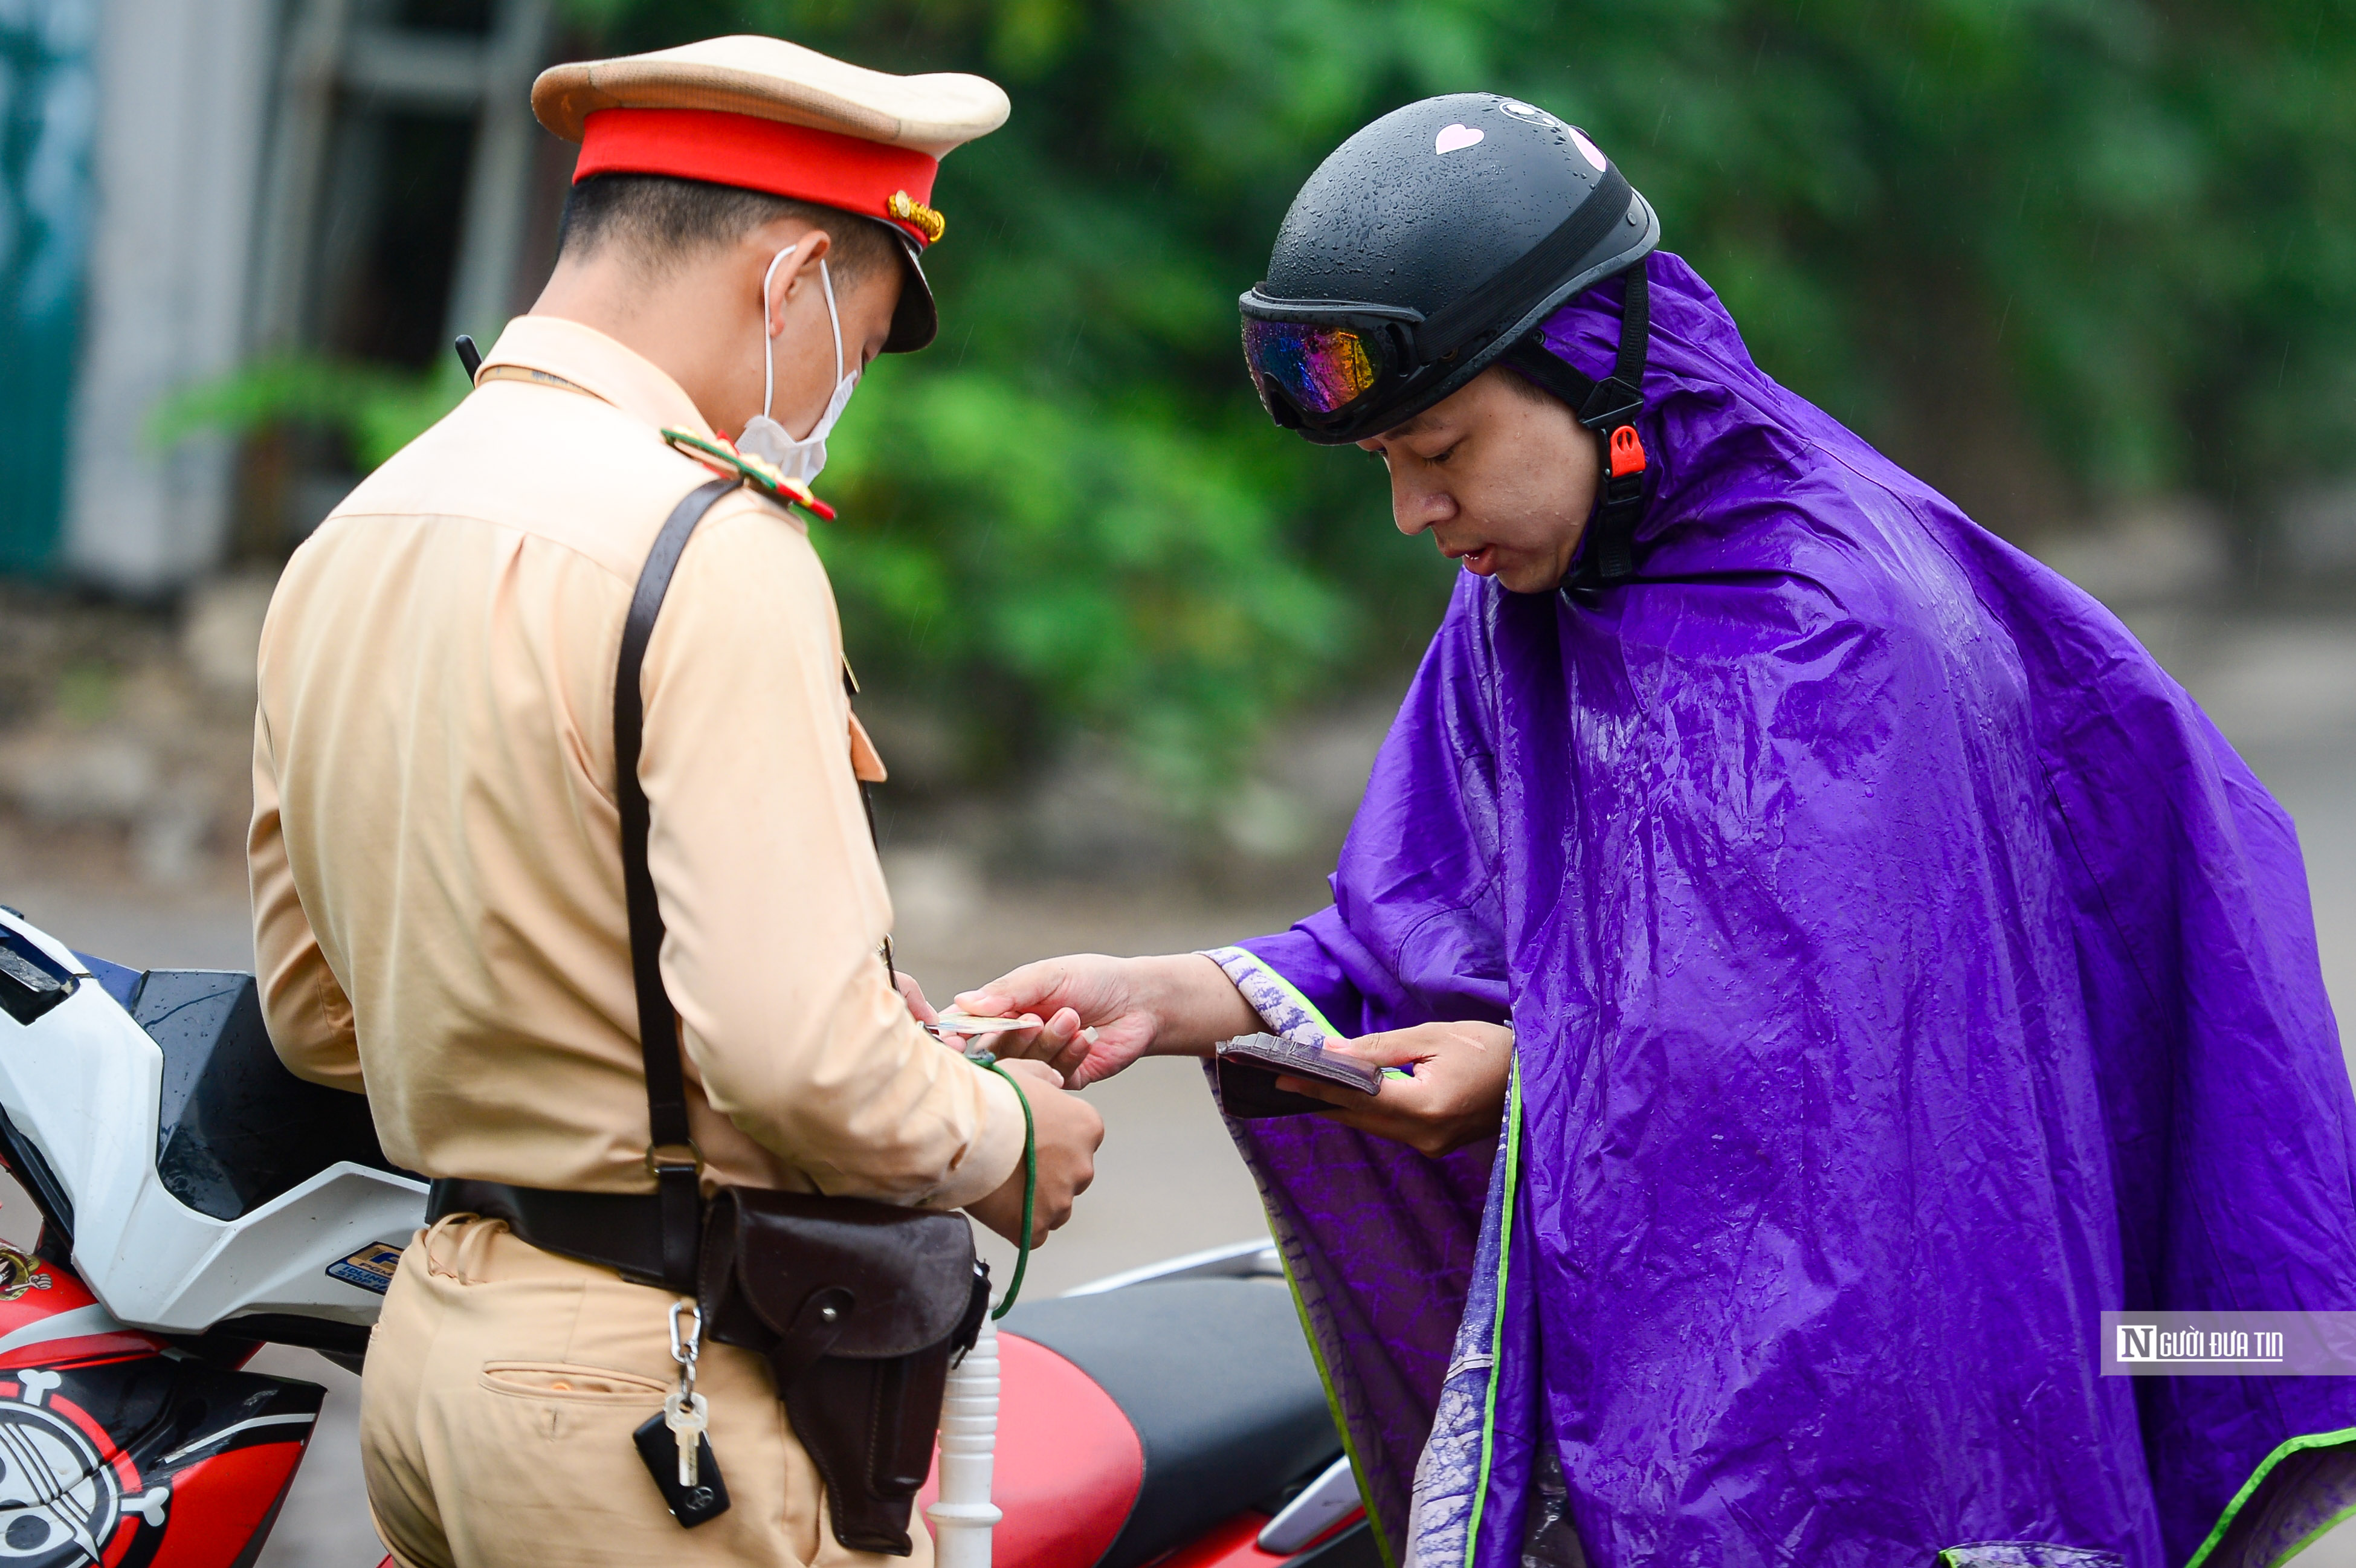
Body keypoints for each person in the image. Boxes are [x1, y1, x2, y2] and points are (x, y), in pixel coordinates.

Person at [962, 94, 2356, 1567]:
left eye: (1440, 445)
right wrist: (1180, 992)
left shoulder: (1841, 629)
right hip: (1664, 1433)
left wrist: (1529, 1063)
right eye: (1383, 462)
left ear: (1595, 371)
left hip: (1898, 1429)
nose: (1414, 509)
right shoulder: (1534, 592)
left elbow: (1843, 1108)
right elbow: (1445, 918)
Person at [247, 34, 1101, 1568]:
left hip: (435, 1356)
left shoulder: (355, 532)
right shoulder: (709, 548)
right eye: (861, 333)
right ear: (790, 284)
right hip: (657, 1394)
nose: (841, 394)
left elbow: (319, 1016)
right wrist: (1007, 1133)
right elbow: (796, 1060)